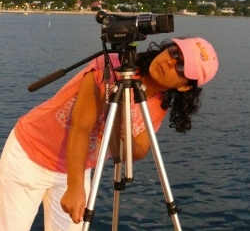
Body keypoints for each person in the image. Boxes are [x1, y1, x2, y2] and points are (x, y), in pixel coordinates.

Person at [0, 37, 218, 231]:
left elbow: (138, 150)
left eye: (181, 67)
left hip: (75, 166)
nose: (171, 62)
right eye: (174, 52)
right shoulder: (112, 68)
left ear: (185, 87)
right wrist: (75, 187)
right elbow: (81, 127)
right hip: (29, 154)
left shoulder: (158, 104)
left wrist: (125, 133)